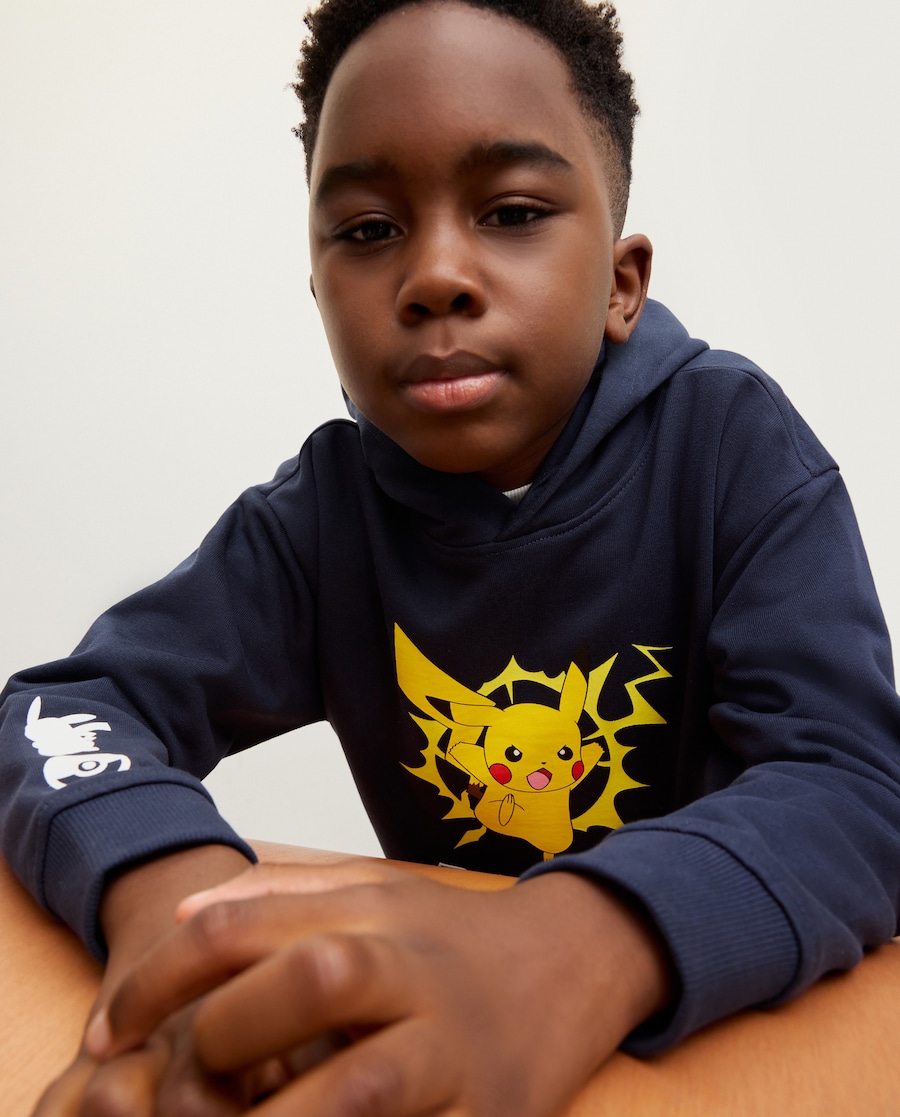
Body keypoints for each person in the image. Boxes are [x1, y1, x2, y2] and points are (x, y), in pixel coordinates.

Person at [3, 0, 900, 1113]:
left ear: (622, 284)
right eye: (368, 230)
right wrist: (186, 916)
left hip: (719, 1054)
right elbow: (65, 710)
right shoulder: (322, 518)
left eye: (512, 212)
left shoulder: (733, 450)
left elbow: (856, 788)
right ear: (318, 290)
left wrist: (570, 946)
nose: (433, 275)